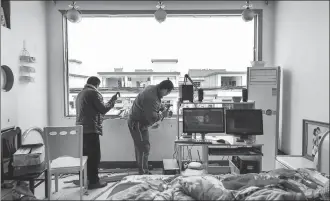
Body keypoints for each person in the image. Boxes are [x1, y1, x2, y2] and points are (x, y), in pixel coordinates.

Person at [75, 76, 117, 189]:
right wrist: (112, 101)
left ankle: (84, 180)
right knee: (94, 157)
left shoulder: (80, 94)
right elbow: (103, 109)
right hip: (90, 129)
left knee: (84, 156)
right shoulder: (93, 93)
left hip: (81, 129)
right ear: (97, 84)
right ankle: (94, 182)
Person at [128, 80, 174, 175]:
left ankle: (143, 166)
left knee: (143, 146)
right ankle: (143, 172)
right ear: (164, 89)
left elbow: (156, 104)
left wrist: (163, 108)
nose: (167, 94)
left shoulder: (153, 89)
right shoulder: (151, 96)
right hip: (137, 123)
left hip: (140, 122)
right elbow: (152, 118)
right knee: (143, 148)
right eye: (168, 92)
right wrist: (162, 114)